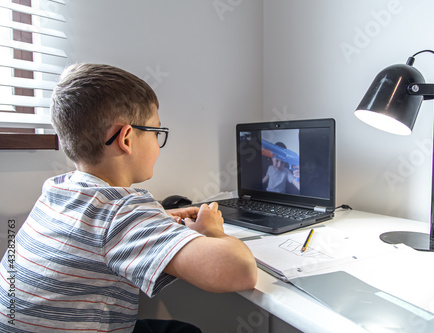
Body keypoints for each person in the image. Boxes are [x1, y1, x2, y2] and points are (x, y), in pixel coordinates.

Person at [0, 63, 258, 332]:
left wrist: (155, 221)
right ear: (126, 138)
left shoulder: (58, 189)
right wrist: (212, 231)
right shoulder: (121, 210)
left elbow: (96, 232)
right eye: (157, 132)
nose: (158, 143)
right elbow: (241, 272)